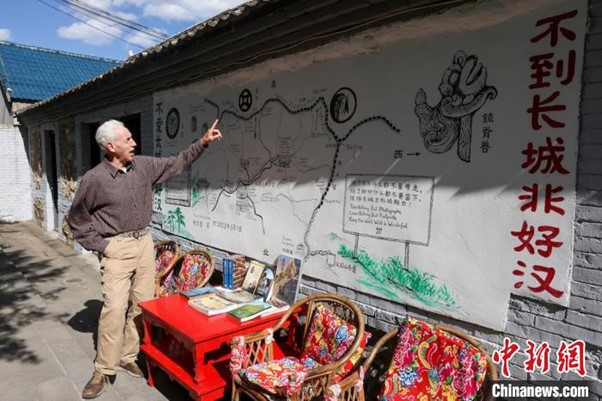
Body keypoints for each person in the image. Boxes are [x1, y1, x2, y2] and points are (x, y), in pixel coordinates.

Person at [68, 118, 222, 399]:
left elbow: (177, 163)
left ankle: (128, 356)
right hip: (116, 248)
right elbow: (77, 219)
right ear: (111, 146)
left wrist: (203, 142)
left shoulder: (143, 166)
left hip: (144, 245)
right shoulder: (94, 179)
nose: (134, 142)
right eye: (128, 139)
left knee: (142, 305)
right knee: (114, 309)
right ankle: (104, 368)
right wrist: (102, 246)